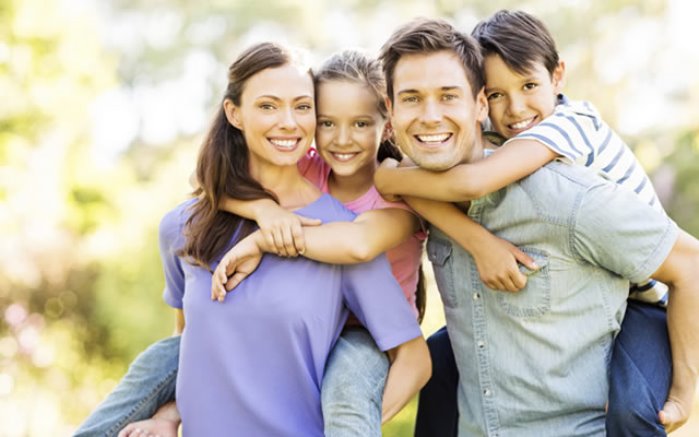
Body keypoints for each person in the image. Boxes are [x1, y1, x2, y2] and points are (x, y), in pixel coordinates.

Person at [77, 42, 430, 437]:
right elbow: (190, 345)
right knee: (153, 365)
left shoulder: (353, 222)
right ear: (234, 113)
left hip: (362, 340)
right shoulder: (183, 226)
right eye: (267, 106)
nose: (288, 122)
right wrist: (169, 416)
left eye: (301, 106)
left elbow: (364, 254)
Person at [374, 17, 699, 436]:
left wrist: (684, 391)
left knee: (635, 409)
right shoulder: (443, 169)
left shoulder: (566, 160)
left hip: (647, 301)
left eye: (447, 96)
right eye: (412, 98)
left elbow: (689, 263)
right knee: (440, 359)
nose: (516, 108)